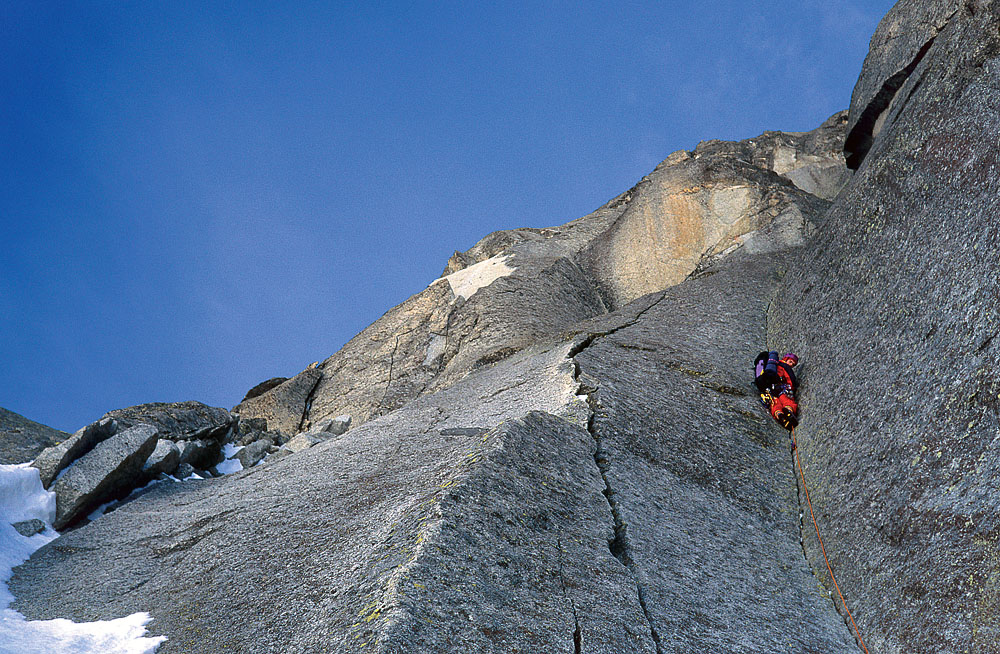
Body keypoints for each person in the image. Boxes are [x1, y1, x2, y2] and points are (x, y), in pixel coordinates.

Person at [754, 351, 799, 429]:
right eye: (790, 361)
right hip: (781, 387)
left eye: (793, 364)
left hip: (769, 389)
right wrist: (793, 388)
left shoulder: (771, 366)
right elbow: (790, 379)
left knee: (774, 402)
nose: (791, 364)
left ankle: (779, 415)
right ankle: (789, 410)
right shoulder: (785, 366)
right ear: (786, 359)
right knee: (786, 399)